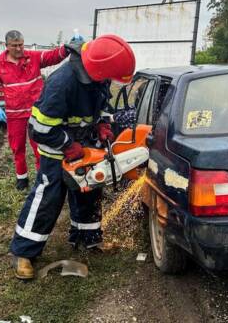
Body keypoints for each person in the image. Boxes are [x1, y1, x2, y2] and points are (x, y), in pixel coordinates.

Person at [9, 34, 136, 279]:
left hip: (86, 147)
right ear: (100, 69)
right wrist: (68, 145)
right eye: (109, 77)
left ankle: (87, 239)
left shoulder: (97, 76)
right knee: (49, 197)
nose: (110, 81)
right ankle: (24, 252)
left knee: (89, 191)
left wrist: (101, 124)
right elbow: (39, 128)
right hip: (56, 152)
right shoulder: (62, 83)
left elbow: (100, 107)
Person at [0, 30, 70, 190]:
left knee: (40, 147)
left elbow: (53, 56)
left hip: (36, 113)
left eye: (21, 45)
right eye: (14, 46)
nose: (19, 49)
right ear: (7, 46)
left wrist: (68, 48)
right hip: (14, 115)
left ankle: (42, 179)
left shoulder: (33, 57)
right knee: (17, 148)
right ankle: (22, 179)